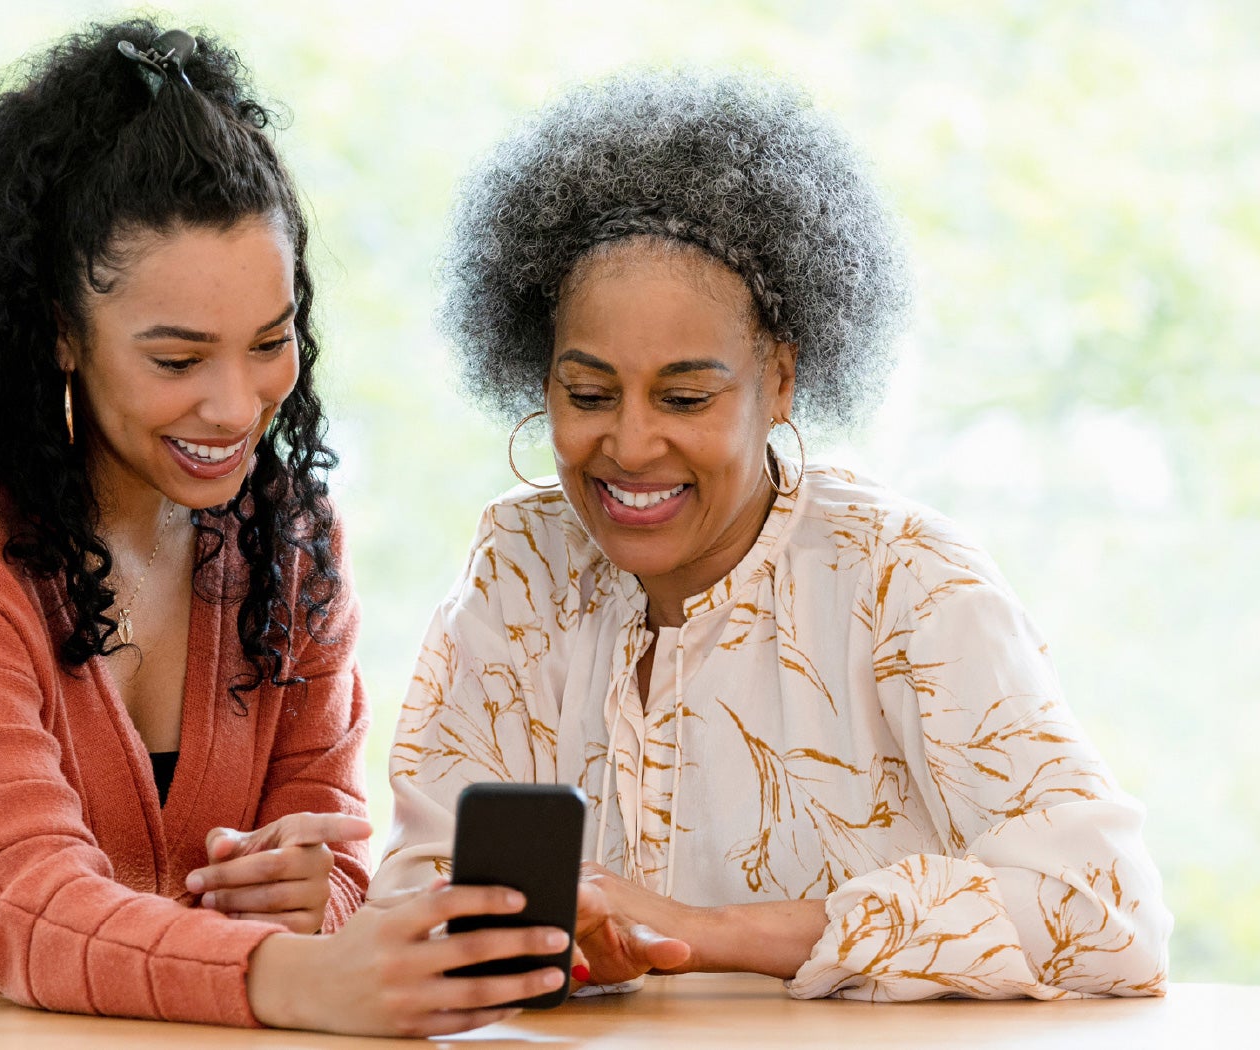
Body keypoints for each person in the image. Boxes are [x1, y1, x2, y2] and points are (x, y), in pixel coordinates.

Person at [0, 21, 564, 1048]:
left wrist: (310, 899)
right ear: (60, 328)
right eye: (178, 361)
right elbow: (13, 907)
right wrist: (293, 968)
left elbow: (336, 857)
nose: (236, 406)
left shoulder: (288, 545)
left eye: (269, 343)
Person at [376, 70, 1172, 1002]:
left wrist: (707, 934)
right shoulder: (520, 567)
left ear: (781, 382)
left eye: (685, 397)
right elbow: (417, 892)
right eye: (587, 395)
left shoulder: (899, 580)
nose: (629, 445)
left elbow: (1109, 917)